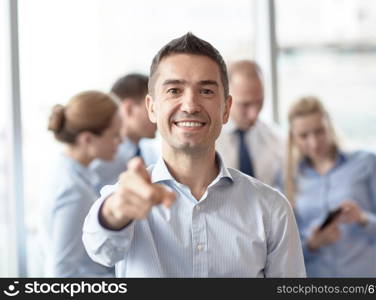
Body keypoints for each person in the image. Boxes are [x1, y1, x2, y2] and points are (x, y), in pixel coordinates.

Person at [82, 33, 305, 277]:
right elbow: (100, 248)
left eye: (206, 91)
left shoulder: (272, 209)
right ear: (152, 108)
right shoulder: (125, 199)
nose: (190, 105)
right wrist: (114, 213)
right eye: (174, 90)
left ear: (226, 109)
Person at [280, 96, 376, 277]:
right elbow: (282, 253)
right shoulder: (286, 178)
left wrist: (362, 219)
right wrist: (313, 244)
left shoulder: (366, 163)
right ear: (293, 137)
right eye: (304, 136)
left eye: (319, 131)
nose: (313, 142)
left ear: (330, 127)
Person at [39, 91, 122, 277]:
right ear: (87, 139)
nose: (120, 141)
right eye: (115, 135)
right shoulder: (74, 190)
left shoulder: (62, 170)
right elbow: (61, 273)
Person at [216, 60, 284, 186]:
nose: (254, 114)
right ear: (225, 98)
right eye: (245, 104)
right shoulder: (208, 139)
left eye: (259, 102)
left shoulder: (276, 138)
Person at [90, 73, 159, 193]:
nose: (158, 114)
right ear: (129, 108)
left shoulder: (150, 155)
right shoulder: (100, 160)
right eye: (151, 107)